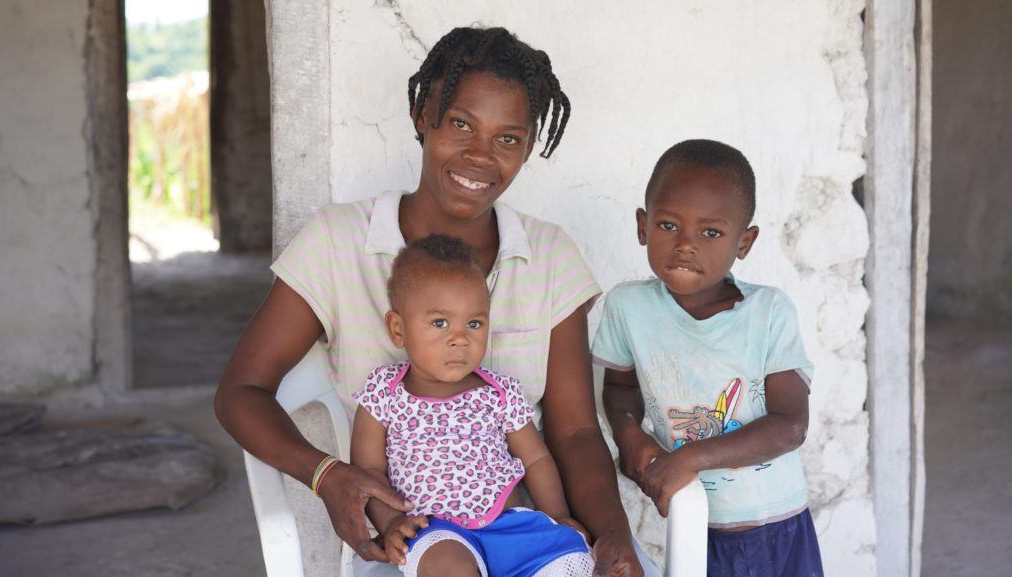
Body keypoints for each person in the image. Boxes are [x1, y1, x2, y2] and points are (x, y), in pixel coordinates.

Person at [214, 27, 652, 576]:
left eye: (508, 139)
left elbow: (575, 431)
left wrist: (611, 536)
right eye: (461, 123)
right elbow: (241, 392)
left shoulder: (548, 255)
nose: (480, 156)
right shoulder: (338, 241)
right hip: (417, 547)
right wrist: (328, 476)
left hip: (526, 538)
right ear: (423, 115)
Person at [593, 139, 825, 576]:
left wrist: (688, 459)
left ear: (745, 241)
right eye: (667, 226)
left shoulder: (769, 313)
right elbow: (621, 388)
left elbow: (791, 425)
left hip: (774, 525)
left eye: (711, 232)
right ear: (642, 226)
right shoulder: (628, 308)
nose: (685, 244)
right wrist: (629, 436)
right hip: (692, 521)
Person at [350, 234, 594, 577]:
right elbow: (368, 473)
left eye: (474, 323)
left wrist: (559, 515)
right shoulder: (384, 392)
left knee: (570, 556)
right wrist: (391, 524)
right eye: (440, 323)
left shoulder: (499, 391)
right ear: (398, 329)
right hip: (435, 532)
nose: (460, 337)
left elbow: (536, 457)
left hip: (507, 525)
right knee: (449, 567)